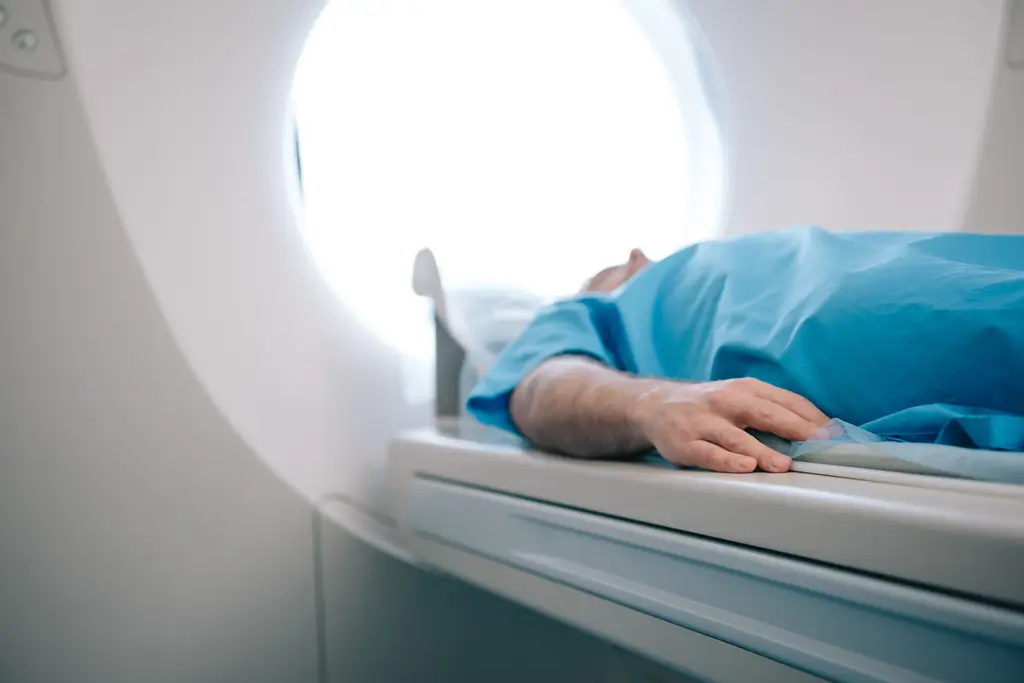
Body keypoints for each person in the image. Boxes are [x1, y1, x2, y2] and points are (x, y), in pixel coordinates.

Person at [465, 226, 1024, 474]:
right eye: (612, 270)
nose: (636, 258)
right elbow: (540, 388)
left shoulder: (712, 260)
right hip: (845, 316)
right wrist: (653, 402)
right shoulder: (591, 311)